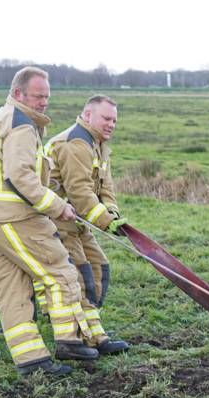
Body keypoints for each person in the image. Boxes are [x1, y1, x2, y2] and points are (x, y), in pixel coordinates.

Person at [0, 66, 99, 376]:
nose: (43, 102)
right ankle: (69, 340)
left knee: (11, 291)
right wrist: (56, 205)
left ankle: (32, 361)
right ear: (19, 93)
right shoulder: (21, 124)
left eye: (47, 96)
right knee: (59, 272)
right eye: (38, 96)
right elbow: (19, 175)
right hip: (10, 216)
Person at [44, 95, 129, 355]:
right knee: (80, 276)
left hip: (76, 220)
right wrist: (106, 222)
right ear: (88, 115)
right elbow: (80, 192)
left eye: (114, 119)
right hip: (54, 220)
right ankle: (89, 338)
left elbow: (106, 187)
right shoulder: (76, 143)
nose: (111, 124)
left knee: (98, 268)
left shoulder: (99, 143)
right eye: (106, 118)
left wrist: (112, 215)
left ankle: (93, 331)